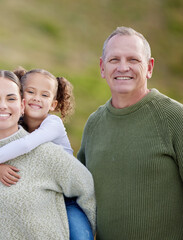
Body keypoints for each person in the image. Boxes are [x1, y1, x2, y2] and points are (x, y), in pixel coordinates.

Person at [77, 26, 183, 240]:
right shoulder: (94, 124)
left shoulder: (174, 117)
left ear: (149, 67)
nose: (123, 67)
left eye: (133, 60)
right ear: (102, 67)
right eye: (114, 60)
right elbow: (78, 193)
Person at [0, 70, 96, 239]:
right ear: (23, 99)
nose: (36, 98)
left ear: (53, 104)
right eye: (31, 92)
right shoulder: (14, 121)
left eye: (44, 95)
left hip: (66, 198)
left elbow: (26, 144)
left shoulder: (52, 124)